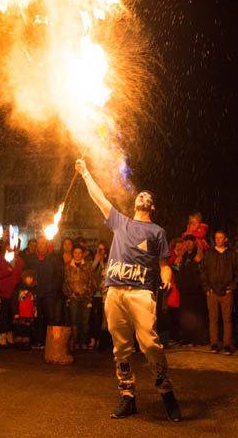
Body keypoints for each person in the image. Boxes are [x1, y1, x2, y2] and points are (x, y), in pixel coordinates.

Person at [75, 158, 181, 422]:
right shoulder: (119, 222)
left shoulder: (157, 232)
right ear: (136, 202)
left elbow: (164, 263)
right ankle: (127, 396)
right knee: (120, 349)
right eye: (141, 194)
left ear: (151, 207)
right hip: (114, 292)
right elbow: (99, 199)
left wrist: (167, 275)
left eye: (148, 197)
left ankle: (166, 392)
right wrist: (86, 172)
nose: (143, 196)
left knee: (149, 344)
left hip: (141, 293)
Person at [201, 230, 238, 355]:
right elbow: (203, 271)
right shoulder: (209, 254)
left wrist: (232, 287)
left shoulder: (232, 254)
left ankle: (227, 345)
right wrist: (207, 288)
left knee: (227, 319)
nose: (218, 240)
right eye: (216, 238)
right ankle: (214, 343)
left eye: (221, 238)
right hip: (212, 291)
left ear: (225, 239)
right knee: (213, 319)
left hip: (227, 291)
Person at [63, 245, 96, 349]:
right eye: (75, 252)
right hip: (73, 298)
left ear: (82, 254)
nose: (77, 255)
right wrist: (70, 293)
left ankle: (84, 342)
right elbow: (65, 283)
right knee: (74, 320)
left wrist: (88, 293)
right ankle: (75, 342)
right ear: (73, 254)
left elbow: (93, 282)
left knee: (85, 321)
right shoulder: (68, 266)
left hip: (85, 298)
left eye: (79, 253)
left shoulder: (88, 266)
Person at [11, 270, 37, 350]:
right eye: (28, 277)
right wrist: (15, 311)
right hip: (20, 312)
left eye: (31, 278)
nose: (30, 279)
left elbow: (35, 301)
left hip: (29, 312)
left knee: (27, 328)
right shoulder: (19, 287)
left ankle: (26, 343)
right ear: (24, 278)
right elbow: (14, 300)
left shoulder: (34, 288)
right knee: (19, 328)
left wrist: (35, 311)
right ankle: (19, 344)